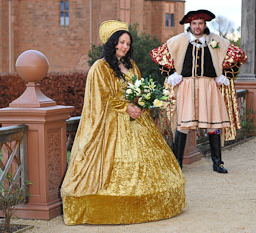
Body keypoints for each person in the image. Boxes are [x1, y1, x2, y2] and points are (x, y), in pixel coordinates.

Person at [60, 20, 186, 225]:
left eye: (127, 43)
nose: (124, 47)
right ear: (111, 43)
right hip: (111, 123)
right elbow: (99, 99)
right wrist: (124, 107)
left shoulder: (131, 65)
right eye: (120, 42)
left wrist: (142, 101)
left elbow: (138, 88)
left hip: (137, 118)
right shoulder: (99, 68)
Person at [150, 10, 247, 173]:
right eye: (194, 24)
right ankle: (178, 163)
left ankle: (218, 163)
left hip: (209, 86)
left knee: (213, 124)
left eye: (200, 23)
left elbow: (238, 55)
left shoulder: (216, 40)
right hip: (186, 86)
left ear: (205, 25)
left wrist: (226, 75)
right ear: (190, 25)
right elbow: (159, 55)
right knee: (183, 124)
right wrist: (171, 73)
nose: (197, 27)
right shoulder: (179, 40)